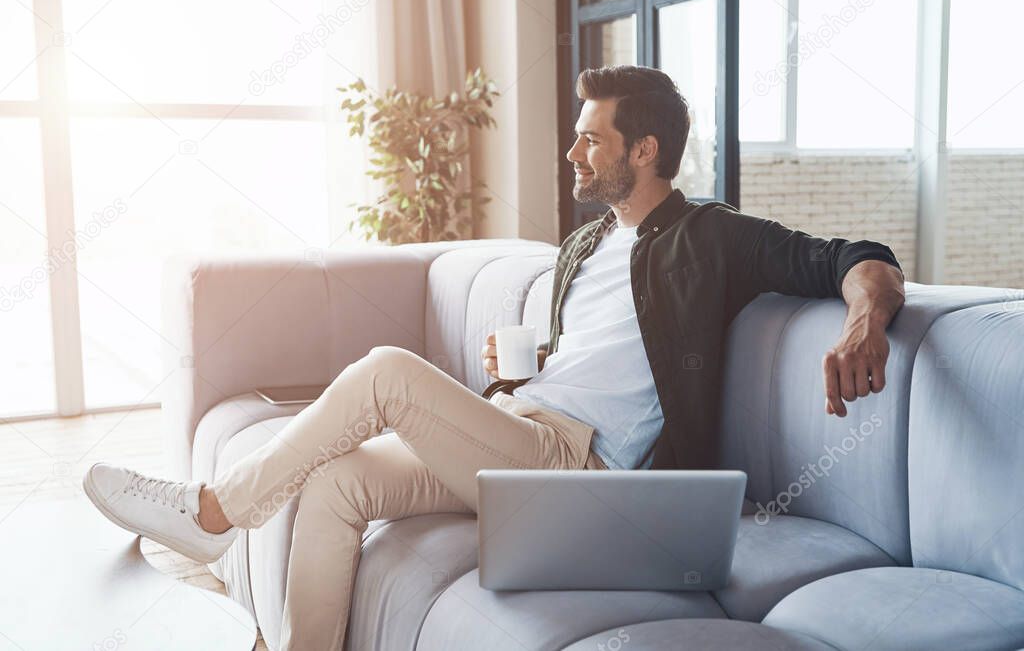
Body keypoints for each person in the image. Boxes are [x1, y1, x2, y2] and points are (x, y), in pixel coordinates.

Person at [82, 65, 905, 649]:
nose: (574, 154)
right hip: (521, 425)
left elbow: (846, 255)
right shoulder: (586, 243)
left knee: (385, 371)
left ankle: (214, 515)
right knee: (337, 485)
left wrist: (865, 316)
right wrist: (527, 365)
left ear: (645, 149)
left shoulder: (711, 235)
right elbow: (599, 352)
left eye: (591, 139)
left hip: (578, 464)